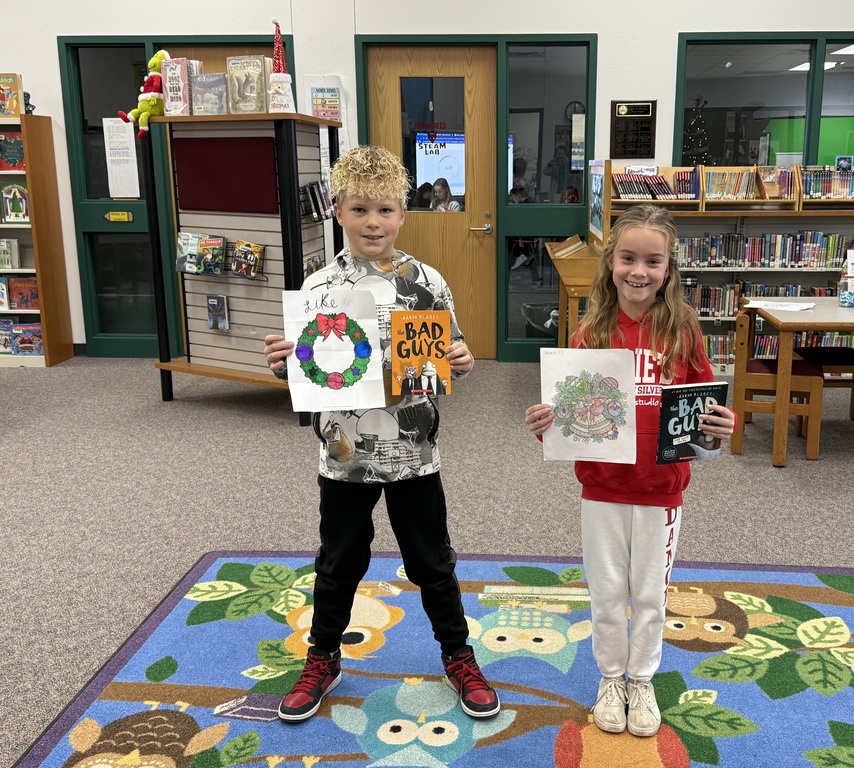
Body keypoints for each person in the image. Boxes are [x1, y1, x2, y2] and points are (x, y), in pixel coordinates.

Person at [263, 144, 499, 723]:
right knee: (339, 560)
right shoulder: (318, 288)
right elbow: (305, 364)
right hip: (343, 453)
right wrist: (282, 364)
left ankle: (457, 653)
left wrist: (461, 359)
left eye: (387, 210)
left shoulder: (427, 282)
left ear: (403, 213)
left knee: (432, 562)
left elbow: (452, 349)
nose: (375, 222)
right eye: (362, 209)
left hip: (414, 450)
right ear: (338, 210)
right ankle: (323, 656)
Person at [523, 205, 735, 738]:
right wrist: (546, 422)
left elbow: (705, 407)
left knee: (649, 595)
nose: (639, 271)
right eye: (628, 258)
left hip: (661, 491)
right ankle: (610, 677)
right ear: (610, 263)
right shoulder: (591, 331)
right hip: (602, 488)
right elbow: (567, 414)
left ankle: (641, 678)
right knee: (606, 592)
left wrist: (720, 425)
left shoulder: (683, 329)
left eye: (653, 261)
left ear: (669, 269)